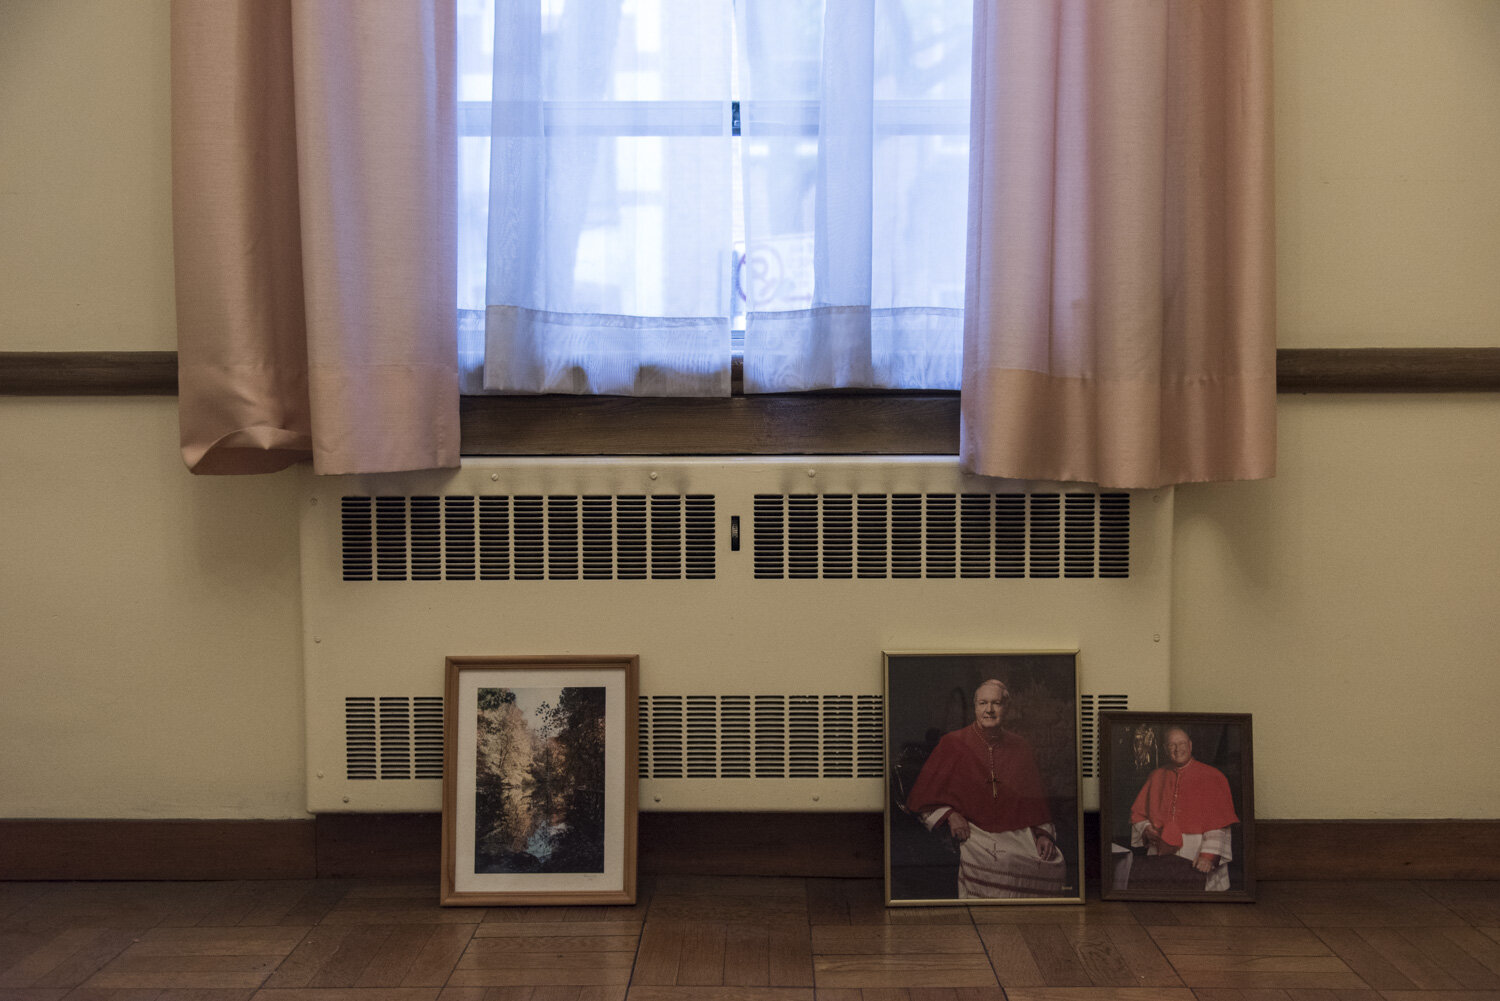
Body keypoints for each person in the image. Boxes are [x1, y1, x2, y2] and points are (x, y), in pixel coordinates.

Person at [904, 679, 1066, 898]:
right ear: (975, 707)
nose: (989, 710)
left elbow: (1033, 800)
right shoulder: (952, 743)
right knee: (1002, 862)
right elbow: (924, 797)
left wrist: (1042, 834)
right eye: (983, 703)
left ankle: (1029, 919)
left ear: (1006, 708)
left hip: (1016, 830)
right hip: (974, 831)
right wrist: (951, 815)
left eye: (996, 703)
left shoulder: (1020, 746)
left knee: (1052, 862)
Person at [1128, 726, 1239, 891]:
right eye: (1172, 745)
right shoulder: (1157, 775)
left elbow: (1218, 823)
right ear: (1166, 749)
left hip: (1196, 853)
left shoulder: (1212, 776)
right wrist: (1146, 829)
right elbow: (1138, 815)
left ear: (1190, 745)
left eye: (1181, 743)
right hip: (1160, 854)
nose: (1177, 749)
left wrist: (1208, 857)